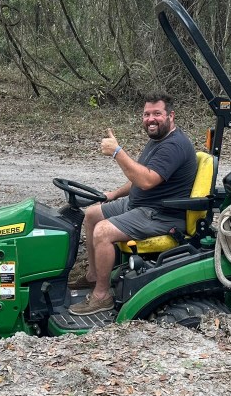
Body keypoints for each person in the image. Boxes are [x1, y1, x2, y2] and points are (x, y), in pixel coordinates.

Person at [69, 93, 198, 315]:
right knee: (92, 215)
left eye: (157, 113)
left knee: (102, 232)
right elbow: (139, 175)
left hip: (161, 214)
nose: (151, 119)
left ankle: (102, 296)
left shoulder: (174, 145)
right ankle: (93, 276)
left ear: (171, 116)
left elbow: (146, 180)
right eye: (147, 114)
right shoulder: (158, 140)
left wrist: (117, 152)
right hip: (141, 205)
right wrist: (113, 194)